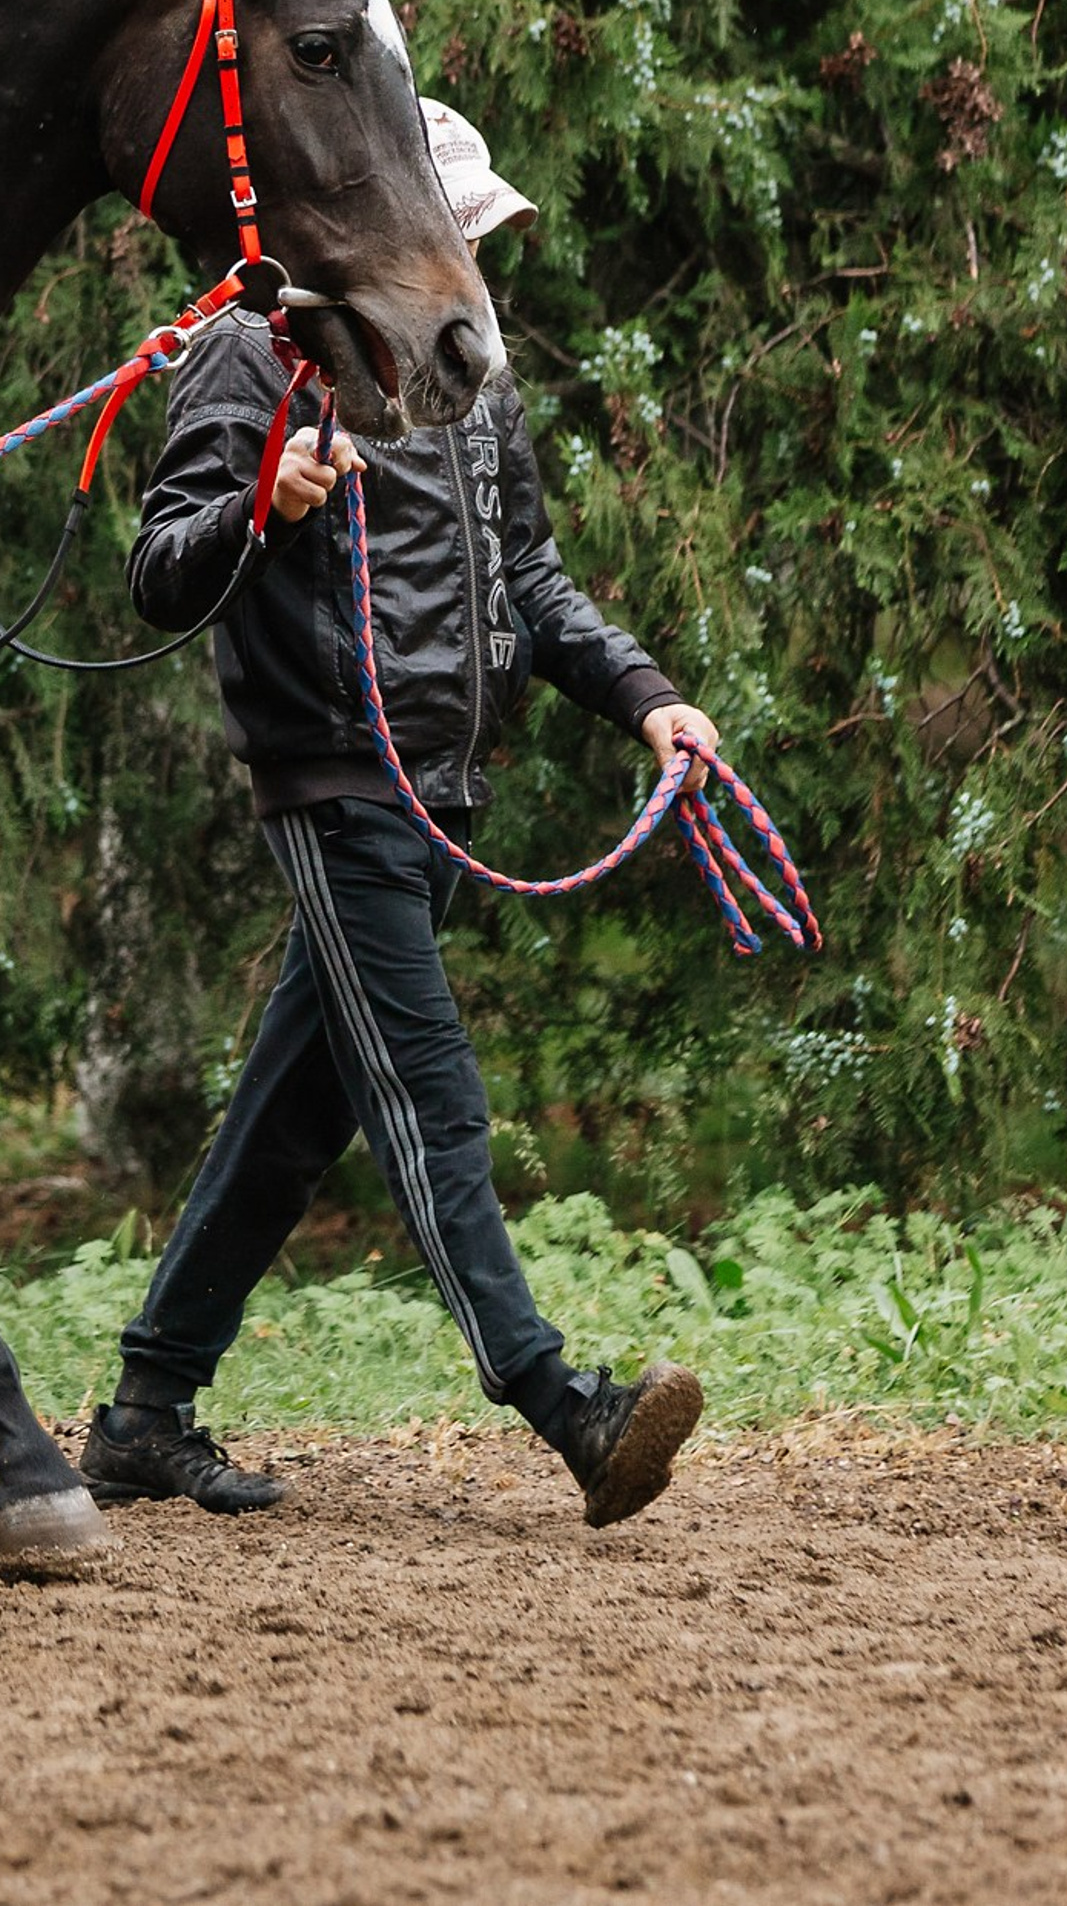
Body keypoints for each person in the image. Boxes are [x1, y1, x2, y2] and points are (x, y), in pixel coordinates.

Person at [80, 100, 709, 1530]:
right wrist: (266, 504)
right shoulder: (251, 357)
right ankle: (572, 1412)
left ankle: (143, 1413)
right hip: (338, 785)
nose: (477, 261)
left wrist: (645, 697)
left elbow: (532, 583)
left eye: (485, 238)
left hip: (446, 797)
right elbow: (158, 573)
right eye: (462, 233)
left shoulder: (475, 372)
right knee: (431, 1096)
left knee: (291, 1117)